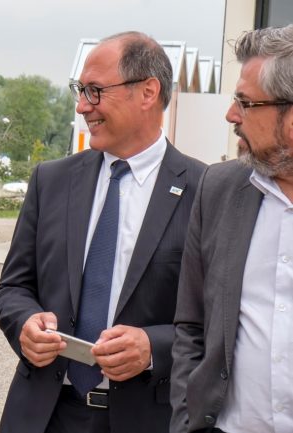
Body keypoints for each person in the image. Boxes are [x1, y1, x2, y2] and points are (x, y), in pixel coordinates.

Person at [0, 31, 206, 433]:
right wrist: (25, 323)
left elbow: (218, 320)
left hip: (147, 418)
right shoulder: (51, 181)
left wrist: (153, 348)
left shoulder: (205, 191)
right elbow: (13, 287)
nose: (81, 106)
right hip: (45, 415)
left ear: (147, 92)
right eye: (80, 90)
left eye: (94, 91)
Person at [170, 24, 293, 433]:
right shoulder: (219, 189)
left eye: (245, 102)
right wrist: (187, 422)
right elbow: (191, 325)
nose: (231, 115)